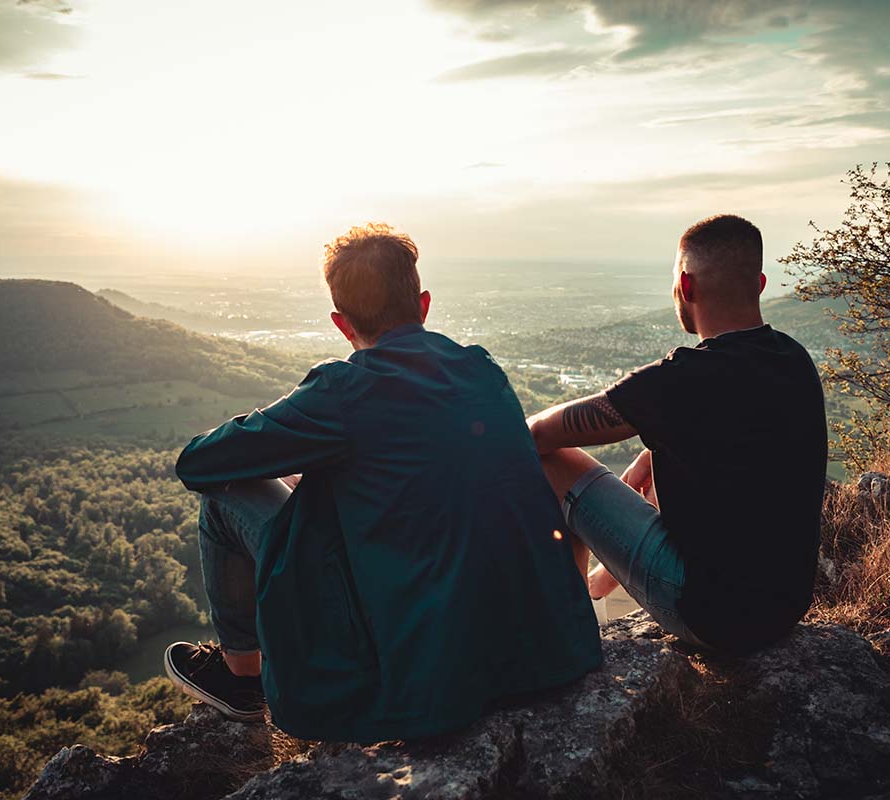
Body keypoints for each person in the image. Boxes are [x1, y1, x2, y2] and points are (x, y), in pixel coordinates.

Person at [165, 223, 602, 742]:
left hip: (430, 677)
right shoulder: (481, 369)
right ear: (423, 304)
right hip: (546, 653)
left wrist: (285, 439)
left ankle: (241, 678)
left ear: (340, 322)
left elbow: (198, 463)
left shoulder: (342, 392)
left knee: (224, 496)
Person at [527, 214, 827, 654]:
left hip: (711, 617)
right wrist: (655, 453)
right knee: (653, 460)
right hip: (783, 608)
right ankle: (594, 589)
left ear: (685, 287)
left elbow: (537, 433)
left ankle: (568, 628)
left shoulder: (680, 380)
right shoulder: (793, 359)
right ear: (759, 284)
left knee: (555, 461)